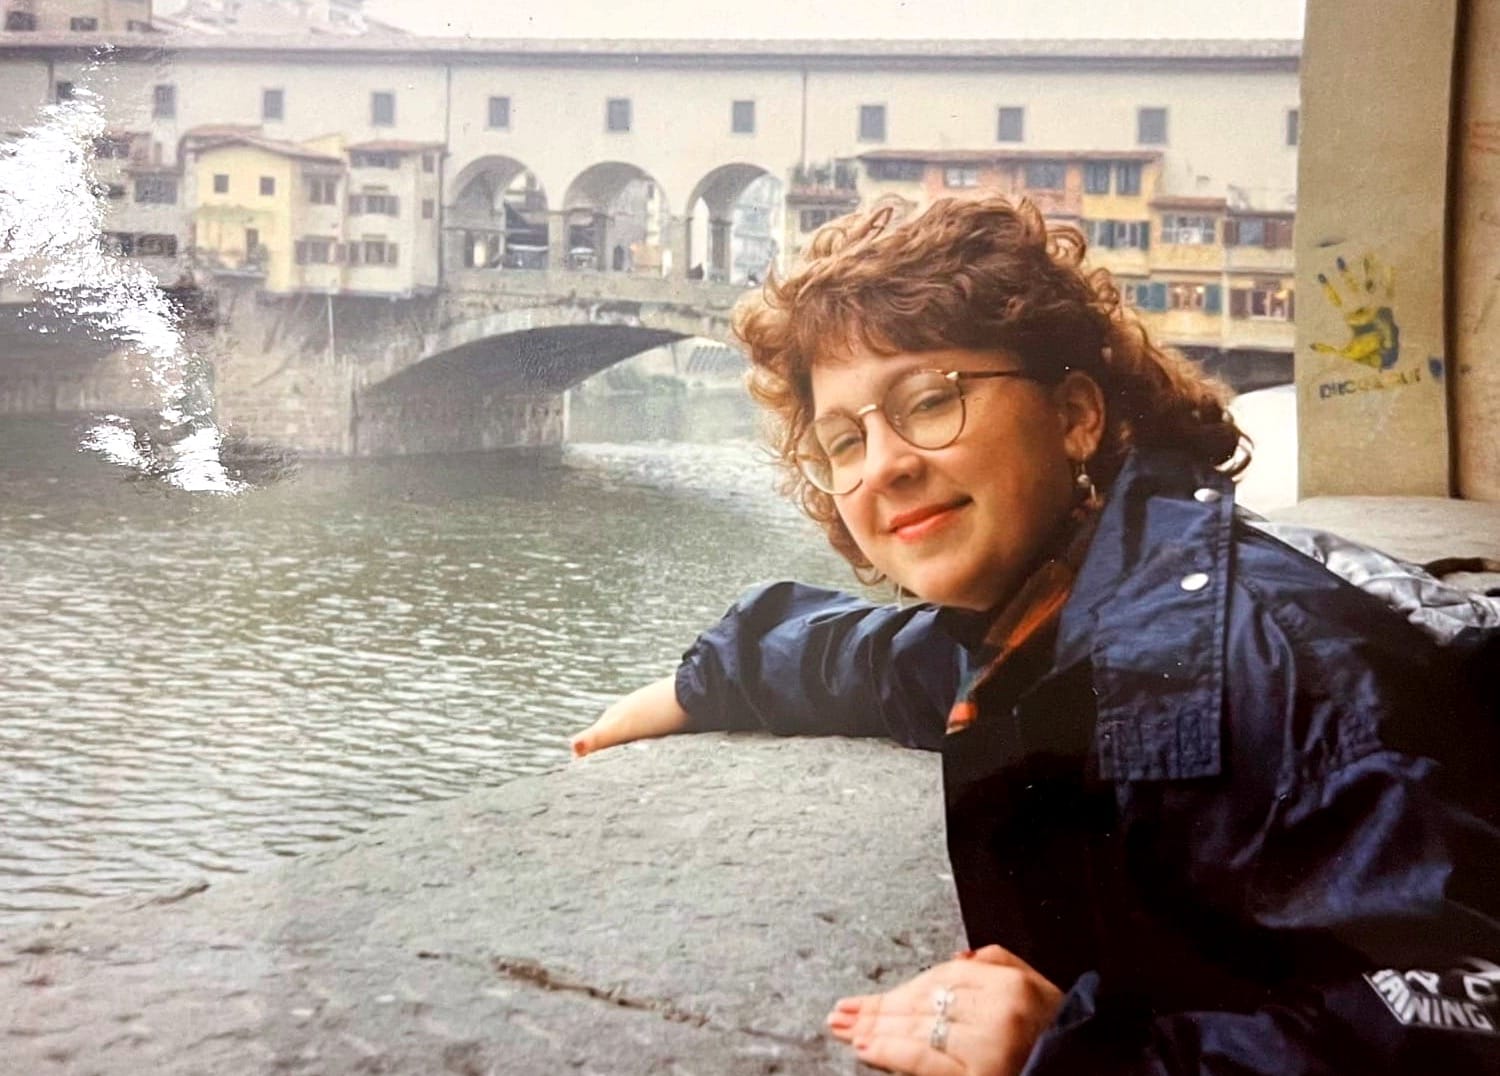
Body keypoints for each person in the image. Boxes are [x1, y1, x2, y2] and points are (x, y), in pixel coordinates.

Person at [570, 195, 1500, 1074]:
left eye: (928, 401)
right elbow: (885, 660)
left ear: (1074, 415)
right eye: (844, 441)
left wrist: (1086, 1053)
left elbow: (1464, 1017)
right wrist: (705, 681)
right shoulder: (1065, 607)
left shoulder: (1274, 667)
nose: (884, 466)